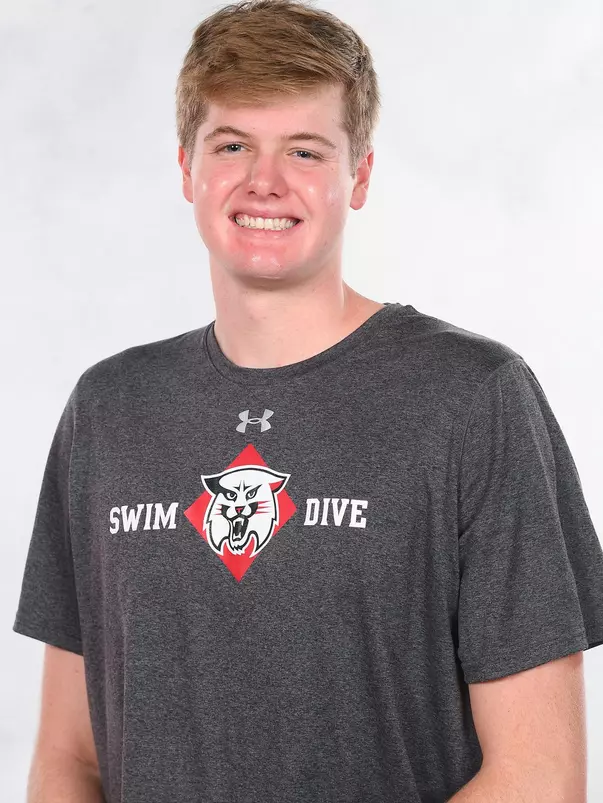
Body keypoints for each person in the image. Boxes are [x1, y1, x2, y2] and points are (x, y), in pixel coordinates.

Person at [13, 1, 603, 801]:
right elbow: (66, 758)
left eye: (305, 149)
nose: (265, 180)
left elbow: (540, 774)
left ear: (357, 176)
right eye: (232, 144)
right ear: (186, 166)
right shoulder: (108, 411)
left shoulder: (473, 398)